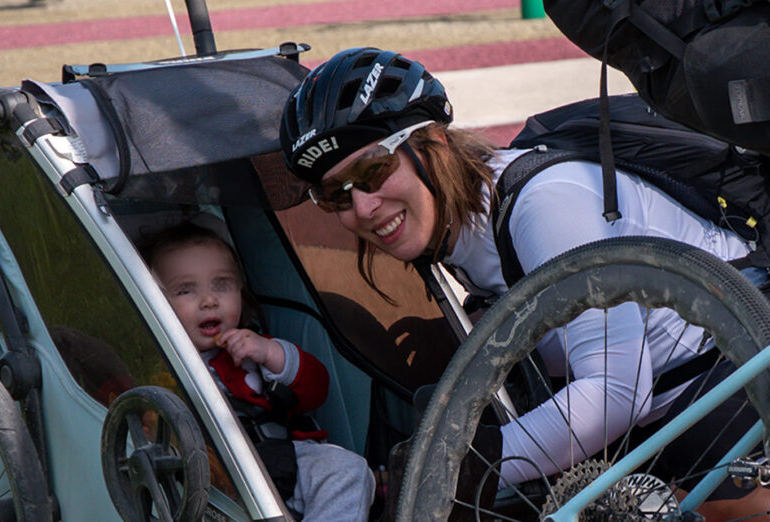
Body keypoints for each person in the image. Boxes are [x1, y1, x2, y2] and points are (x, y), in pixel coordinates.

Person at [278, 47, 770, 519]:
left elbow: (616, 390)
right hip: (673, 414)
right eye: (334, 194)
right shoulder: (460, 233)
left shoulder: (542, 206)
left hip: (735, 377)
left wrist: (452, 467)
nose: (363, 207)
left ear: (433, 143)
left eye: (373, 170)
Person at [139, 221, 375, 521]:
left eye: (221, 284)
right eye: (186, 290)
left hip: (283, 460)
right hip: (213, 479)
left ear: (240, 290)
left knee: (348, 470)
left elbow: (317, 390)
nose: (209, 300)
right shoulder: (158, 367)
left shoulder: (254, 348)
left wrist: (272, 354)